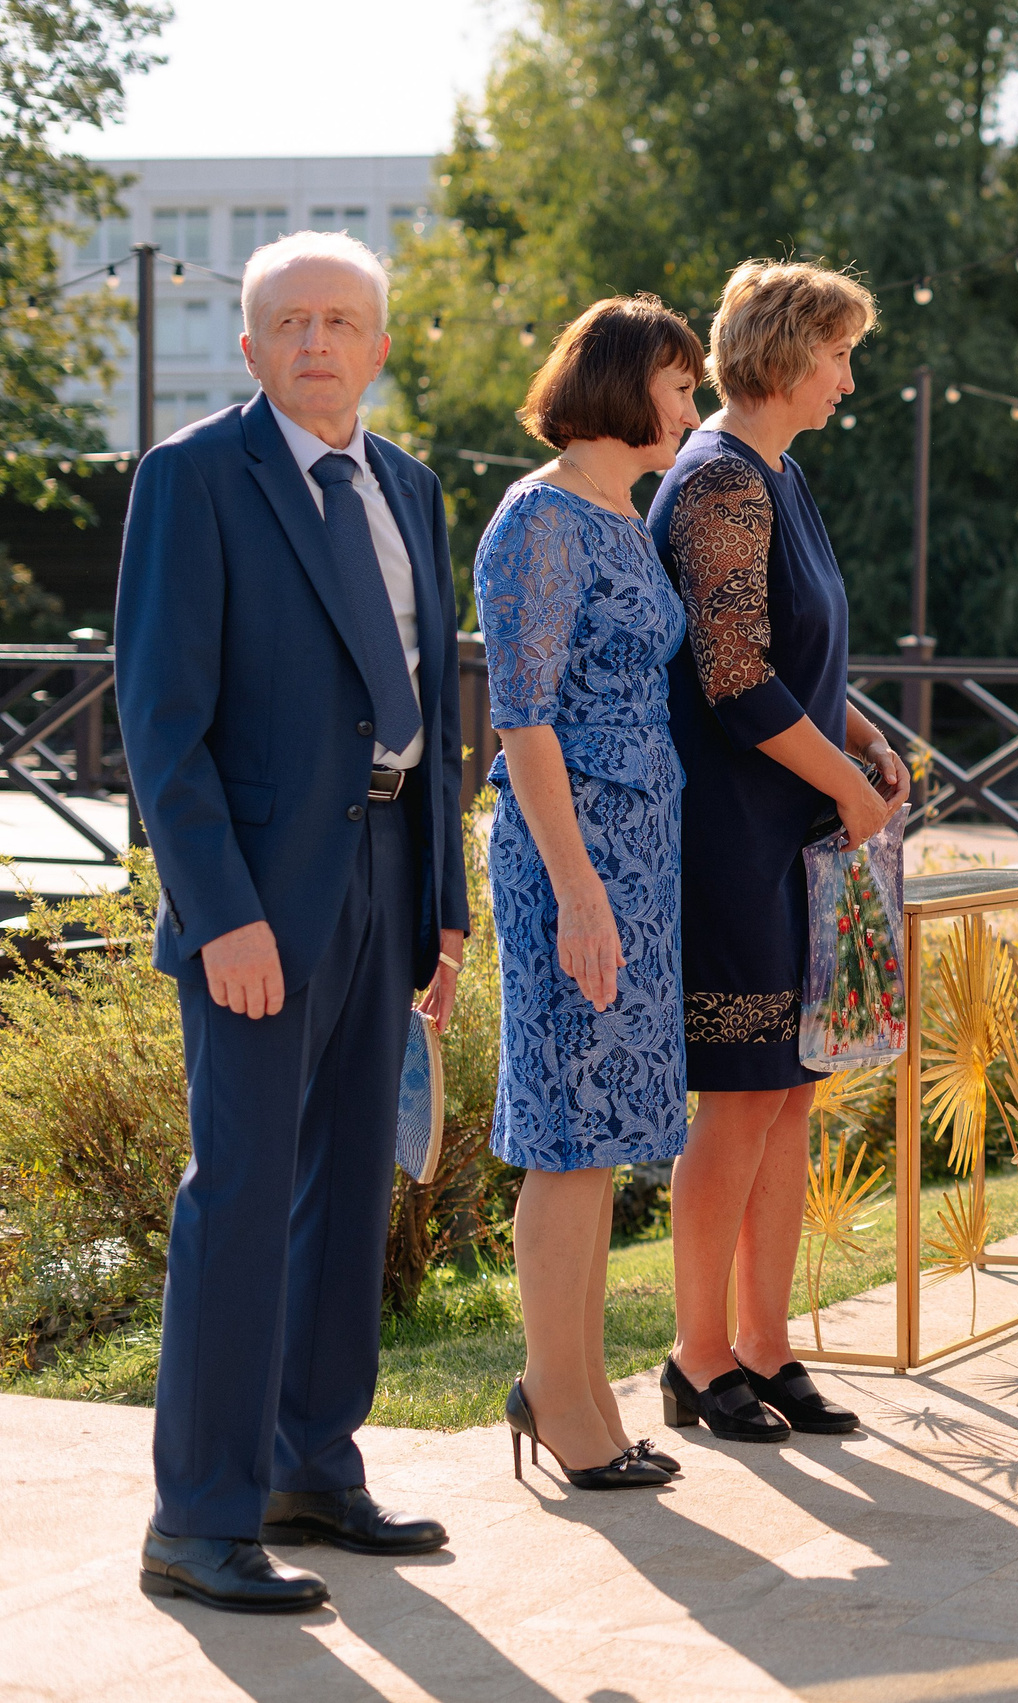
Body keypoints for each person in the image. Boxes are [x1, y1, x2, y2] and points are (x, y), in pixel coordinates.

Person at [116, 231, 466, 1611]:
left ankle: (310, 1465)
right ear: (252, 345)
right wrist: (222, 916)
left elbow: (435, 710)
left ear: (378, 345)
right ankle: (198, 1519)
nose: (316, 340)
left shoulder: (410, 486)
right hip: (257, 898)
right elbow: (162, 724)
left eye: (339, 320)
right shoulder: (195, 476)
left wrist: (441, 905)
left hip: (387, 868)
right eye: (290, 322)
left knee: (348, 1184)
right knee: (245, 1194)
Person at [649, 260, 909, 1441]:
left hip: (791, 830)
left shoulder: (780, 474)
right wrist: (848, 786)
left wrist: (868, 740)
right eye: (839, 356)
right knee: (742, 1099)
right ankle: (696, 1356)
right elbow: (736, 678)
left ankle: (764, 1345)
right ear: (787, 352)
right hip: (732, 836)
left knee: (790, 1094)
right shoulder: (718, 478)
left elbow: (800, 660)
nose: (848, 381)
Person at [476, 297, 708, 1492]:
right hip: (572, 860)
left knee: (605, 1132)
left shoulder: (620, 514)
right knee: (569, 1128)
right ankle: (556, 1393)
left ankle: (579, 1385)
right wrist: (577, 889)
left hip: (637, 857)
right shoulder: (540, 518)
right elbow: (523, 720)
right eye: (679, 386)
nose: (692, 408)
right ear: (623, 385)